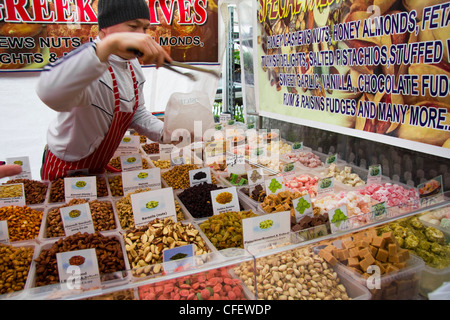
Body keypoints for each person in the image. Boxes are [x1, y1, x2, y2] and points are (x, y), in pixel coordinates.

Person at [37, 0, 173, 181]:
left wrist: (166, 133)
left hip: (98, 167)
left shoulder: (132, 64)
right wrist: (108, 45)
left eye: (145, 29)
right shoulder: (87, 62)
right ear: (105, 27)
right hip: (65, 169)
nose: (141, 36)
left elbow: (136, 113)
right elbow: (49, 92)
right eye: (133, 27)